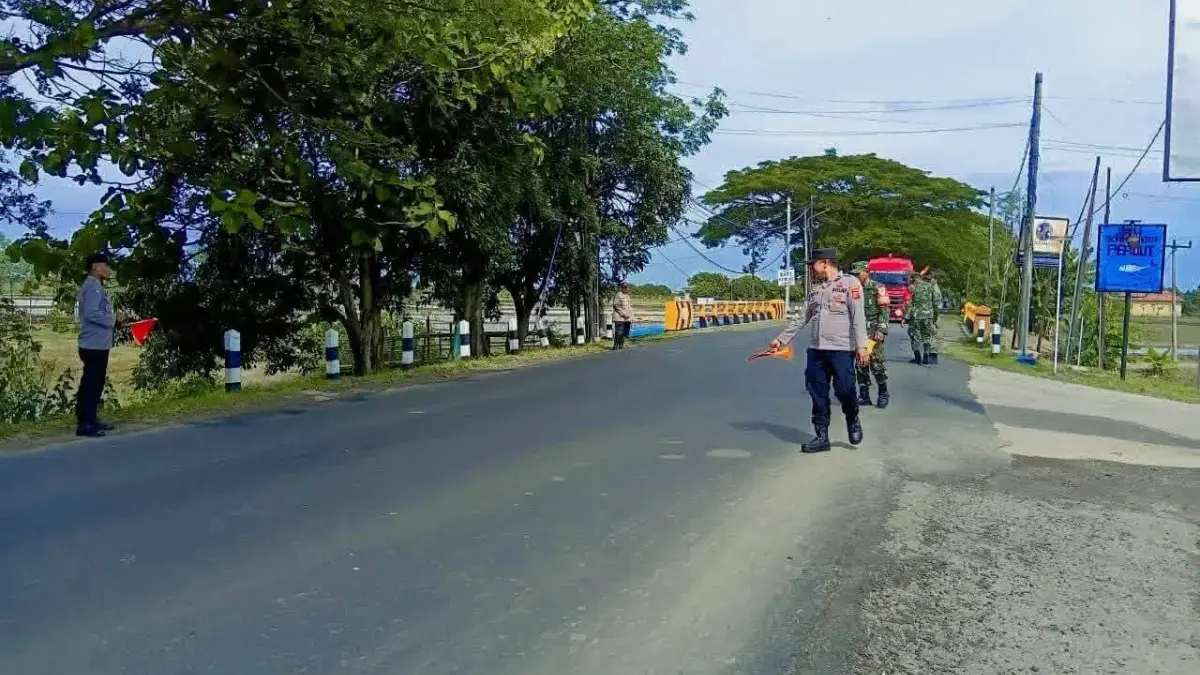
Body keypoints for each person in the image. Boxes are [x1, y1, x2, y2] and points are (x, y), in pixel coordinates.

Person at [768, 247, 869, 453]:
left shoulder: (850, 284)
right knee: (817, 393)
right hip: (817, 350)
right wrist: (781, 339)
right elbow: (801, 318)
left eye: (813, 264)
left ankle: (852, 418)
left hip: (842, 349)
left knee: (845, 390)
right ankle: (821, 436)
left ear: (825, 263)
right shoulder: (815, 290)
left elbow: (858, 318)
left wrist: (862, 347)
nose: (811, 269)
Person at [76, 252, 127, 437]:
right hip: (92, 344)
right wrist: (115, 319)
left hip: (97, 343)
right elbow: (91, 314)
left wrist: (116, 321)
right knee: (91, 383)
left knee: (95, 383)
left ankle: (91, 419)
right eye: (105, 266)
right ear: (95, 267)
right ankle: (85, 424)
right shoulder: (93, 287)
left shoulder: (95, 286)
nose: (108, 269)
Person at [851, 261, 891, 408]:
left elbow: (885, 310)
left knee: (876, 364)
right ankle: (864, 395)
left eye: (858, 273)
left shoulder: (877, 288)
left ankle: (883, 393)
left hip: (874, 332)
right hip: (858, 332)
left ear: (867, 272)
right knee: (861, 365)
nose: (856, 276)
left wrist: (881, 329)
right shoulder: (854, 289)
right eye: (854, 274)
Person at [905, 269, 937, 365]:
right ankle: (926, 355)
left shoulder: (912, 288)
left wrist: (906, 316)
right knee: (927, 335)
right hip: (928, 315)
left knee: (914, 335)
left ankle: (917, 357)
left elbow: (908, 303)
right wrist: (935, 316)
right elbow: (935, 303)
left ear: (914, 279)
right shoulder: (930, 287)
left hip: (916, 316)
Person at [612, 281, 634, 350]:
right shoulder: (618, 295)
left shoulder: (627, 296)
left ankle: (621, 345)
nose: (627, 289)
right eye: (625, 287)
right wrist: (624, 314)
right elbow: (616, 306)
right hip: (619, 317)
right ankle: (616, 345)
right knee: (619, 332)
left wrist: (631, 316)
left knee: (625, 332)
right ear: (622, 288)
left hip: (627, 318)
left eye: (627, 287)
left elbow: (629, 307)